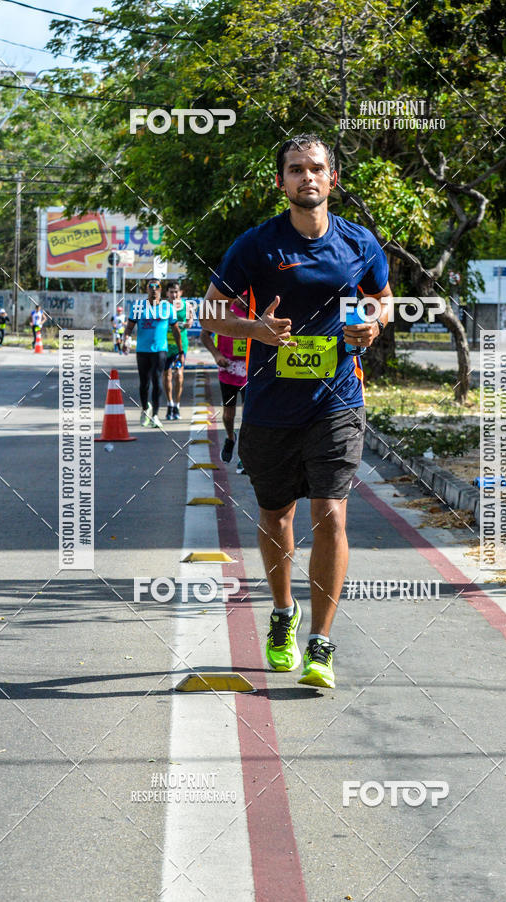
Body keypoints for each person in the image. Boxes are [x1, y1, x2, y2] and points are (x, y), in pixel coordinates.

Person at [200, 134, 392, 689]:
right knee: (276, 516)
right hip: (270, 405)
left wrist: (373, 323)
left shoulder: (361, 242)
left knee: (331, 512)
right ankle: (284, 614)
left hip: (337, 401)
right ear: (280, 182)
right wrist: (252, 329)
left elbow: (381, 297)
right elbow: (211, 313)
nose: (306, 177)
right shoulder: (256, 245)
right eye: (295, 170)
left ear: (332, 179)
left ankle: (322, 643)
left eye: (316, 168)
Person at [122, 279, 184, 429]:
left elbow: (176, 331)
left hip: (160, 350)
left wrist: (181, 351)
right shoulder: (138, 307)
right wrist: (126, 340)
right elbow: (129, 327)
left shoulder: (167, 307)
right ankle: (145, 409)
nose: (154, 289)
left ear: (161, 290)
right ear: (147, 290)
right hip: (142, 351)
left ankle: (155, 415)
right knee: (144, 383)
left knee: (157, 381)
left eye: (157, 287)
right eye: (151, 287)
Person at [200, 292, 248, 472]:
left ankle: (244, 456)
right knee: (228, 415)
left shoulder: (256, 311)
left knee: (248, 416)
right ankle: (230, 438)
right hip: (228, 370)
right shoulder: (223, 310)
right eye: (241, 297)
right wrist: (217, 355)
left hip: (250, 372)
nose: (244, 302)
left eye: (248, 298)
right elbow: (204, 335)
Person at [163, 281, 193, 420]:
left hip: (181, 346)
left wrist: (188, 323)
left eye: (176, 291)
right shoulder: (162, 306)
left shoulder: (187, 306)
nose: (174, 294)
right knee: (167, 375)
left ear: (180, 292)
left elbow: (190, 320)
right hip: (165, 346)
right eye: (171, 292)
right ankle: (169, 404)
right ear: (167, 293)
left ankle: (177, 405)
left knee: (179, 375)